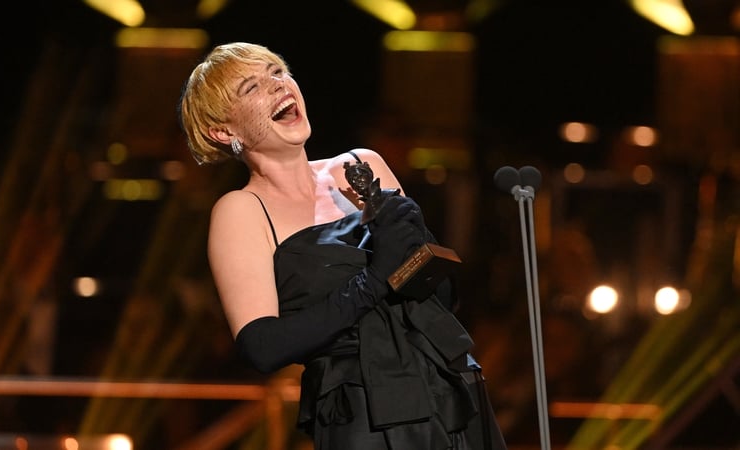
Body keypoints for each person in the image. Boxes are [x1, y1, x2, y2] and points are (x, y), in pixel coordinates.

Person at [178, 42, 506, 450]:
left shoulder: (360, 166)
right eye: (253, 87)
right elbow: (262, 346)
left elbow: (438, 296)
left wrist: (419, 250)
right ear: (224, 131)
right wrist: (373, 280)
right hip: (365, 411)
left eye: (278, 72)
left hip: (449, 386)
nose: (279, 86)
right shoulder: (242, 210)